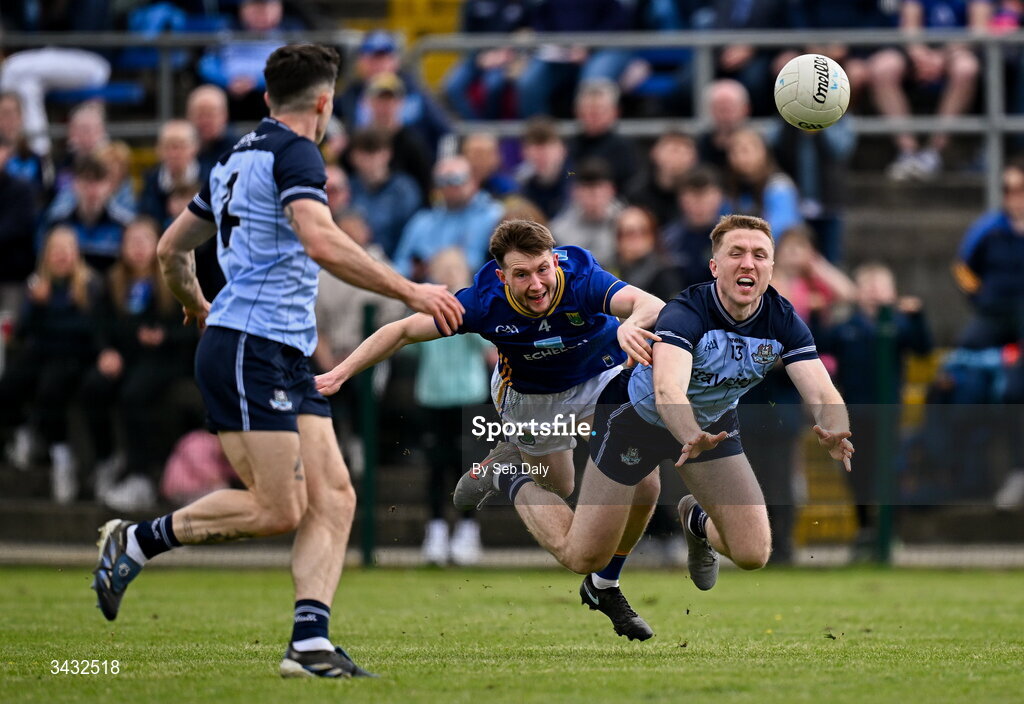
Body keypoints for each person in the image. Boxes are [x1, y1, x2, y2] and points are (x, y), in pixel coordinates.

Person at [90, 44, 463, 680]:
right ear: (325, 101)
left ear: (267, 98)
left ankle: (310, 643)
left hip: (273, 349)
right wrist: (411, 289)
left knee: (336, 496)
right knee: (279, 508)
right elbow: (319, 240)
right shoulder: (297, 152)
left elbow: (170, 249)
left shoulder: (236, 156)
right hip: (251, 349)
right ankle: (138, 540)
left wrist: (196, 303)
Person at [447, 214, 853, 605]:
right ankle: (509, 476)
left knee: (752, 553)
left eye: (760, 255)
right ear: (714, 266)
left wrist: (835, 427)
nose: (748, 262)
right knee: (582, 556)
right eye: (737, 253)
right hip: (635, 418)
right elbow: (666, 388)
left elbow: (820, 389)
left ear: (771, 267)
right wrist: (690, 433)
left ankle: (694, 520)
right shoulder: (686, 312)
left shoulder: (782, 319)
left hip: (707, 427)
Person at [315, 219, 666, 641]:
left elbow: (651, 304)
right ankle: (506, 473)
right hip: (532, 399)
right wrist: (338, 374)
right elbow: (403, 330)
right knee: (559, 484)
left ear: (554, 260)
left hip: (599, 379)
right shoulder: (482, 302)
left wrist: (631, 323)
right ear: (503, 276)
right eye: (521, 274)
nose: (536, 284)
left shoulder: (582, 277)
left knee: (645, 482)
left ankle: (604, 584)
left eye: (542, 269)